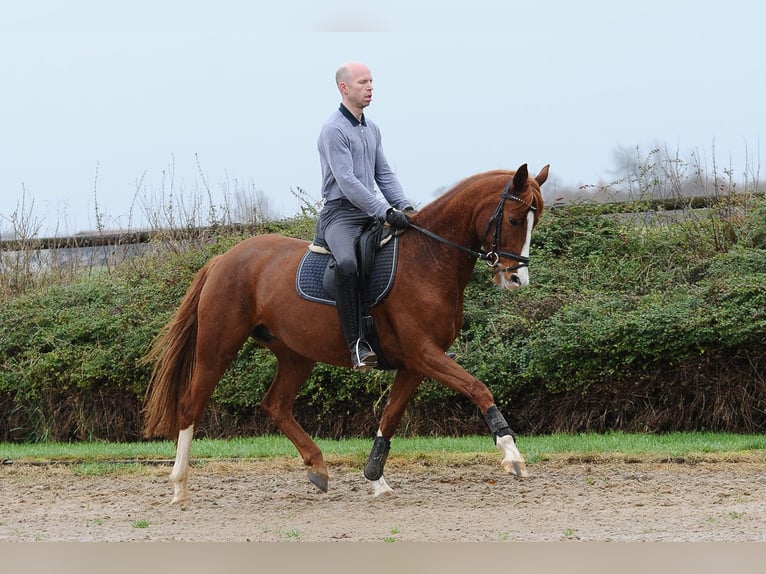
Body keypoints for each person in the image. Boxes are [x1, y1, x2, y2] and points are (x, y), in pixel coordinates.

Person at [315, 61, 414, 371]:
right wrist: (384, 210)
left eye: (371, 81)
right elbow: (347, 182)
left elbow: (383, 173)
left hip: (368, 214)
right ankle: (356, 343)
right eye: (362, 82)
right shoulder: (334, 130)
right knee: (347, 264)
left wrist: (406, 207)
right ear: (344, 88)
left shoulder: (371, 129)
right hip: (340, 216)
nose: (370, 87)